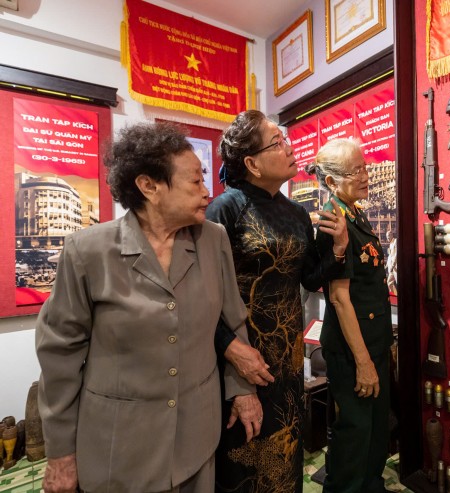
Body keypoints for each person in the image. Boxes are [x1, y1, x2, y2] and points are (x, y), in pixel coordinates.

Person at [35, 121, 272, 493]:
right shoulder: (87, 251)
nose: (207, 191)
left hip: (196, 440)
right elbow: (59, 356)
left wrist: (242, 389)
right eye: (195, 181)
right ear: (149, 186)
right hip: (120, 448)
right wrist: (61, 453)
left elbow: (233, 319)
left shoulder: (213, 239)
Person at [207, 110, 348, 493]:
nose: (289, 148)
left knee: (286, 458)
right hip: (241, 360)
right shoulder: (226, 210)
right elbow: (203, 296)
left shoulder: (296, 213)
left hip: (286, 358)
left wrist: (337, 249)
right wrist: (231, 351)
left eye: (284, 139)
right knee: (244, 461)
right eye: (277, 142)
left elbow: (309, 280)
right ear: (252, 163)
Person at [307, 138, 394, 493]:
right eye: (355, 171)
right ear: (331, 181)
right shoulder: (333, 222)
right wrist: (363, 361)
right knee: (355, 435)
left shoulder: (354, 213)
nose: (365, 176)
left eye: (364, 168)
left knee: (375, 431)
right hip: (351, 349)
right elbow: (340, 299)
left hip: (372, 341)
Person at [385, 229, 398, 295]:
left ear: (392, 235)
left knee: (398, 282)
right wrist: (387, 266)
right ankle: (396, 295)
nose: (387, 238)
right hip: (391, 268)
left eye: (388, 237)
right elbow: (390, 256)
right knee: (389, 283)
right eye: (387, 237)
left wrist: (393, 265)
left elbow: (396, 255)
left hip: (395, 267)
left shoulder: (395, 241)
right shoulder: (390, 244)